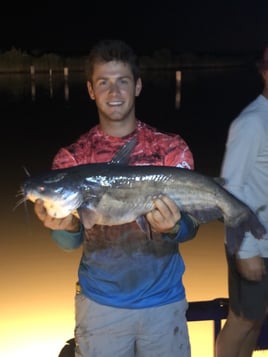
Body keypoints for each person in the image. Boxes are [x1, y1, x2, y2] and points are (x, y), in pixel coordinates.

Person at [33, 39, 199, 357]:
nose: (114, 93)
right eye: (104, 83)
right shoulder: (72, 159)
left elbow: (192, 229)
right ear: (90, 90)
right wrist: (64, 227)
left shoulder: (170, 149)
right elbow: (71, 243)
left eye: (122, 82)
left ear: (137, 86)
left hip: (163, 304)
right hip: (100, 306)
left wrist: (175, 227)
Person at [215, 47, 268, 357]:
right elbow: (230, 191)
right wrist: (245, 251)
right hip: (252, 244)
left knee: (256, 319)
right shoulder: (251, 122)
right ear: (264, 72)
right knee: (241, 321)